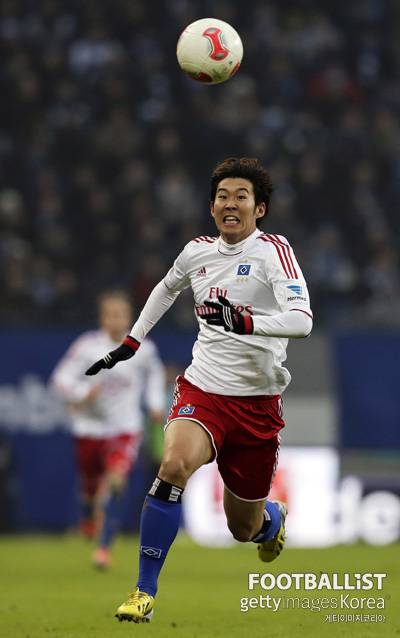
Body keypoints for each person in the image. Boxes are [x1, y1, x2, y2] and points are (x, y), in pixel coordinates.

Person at [86, 157, 313, 621]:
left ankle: (270, 520)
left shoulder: (273, 251)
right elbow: (166, 288)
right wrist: (132, 341)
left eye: (241, 196)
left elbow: (302, 320)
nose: (230, 204)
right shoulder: (196, 252)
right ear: (211, 207)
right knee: (172, 466)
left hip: (257, 405)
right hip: (203, 390)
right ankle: (143, 592)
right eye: (222, 197)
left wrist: (245, 322)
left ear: (259, 208)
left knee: (242, 527)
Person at [51, 290, 166, 569]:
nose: (115, 320)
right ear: (102, 318)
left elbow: (154, 376)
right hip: (89, 428)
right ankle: (87, 515)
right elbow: (60, 378)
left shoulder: (143, 349)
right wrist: (81, 393)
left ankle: (104, 548)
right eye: (110, 315)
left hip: (124, 428)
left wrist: (155, 404)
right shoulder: (87, 346)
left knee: (116, 481)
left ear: (130, 318)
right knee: (90, 488)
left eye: (120, 315)